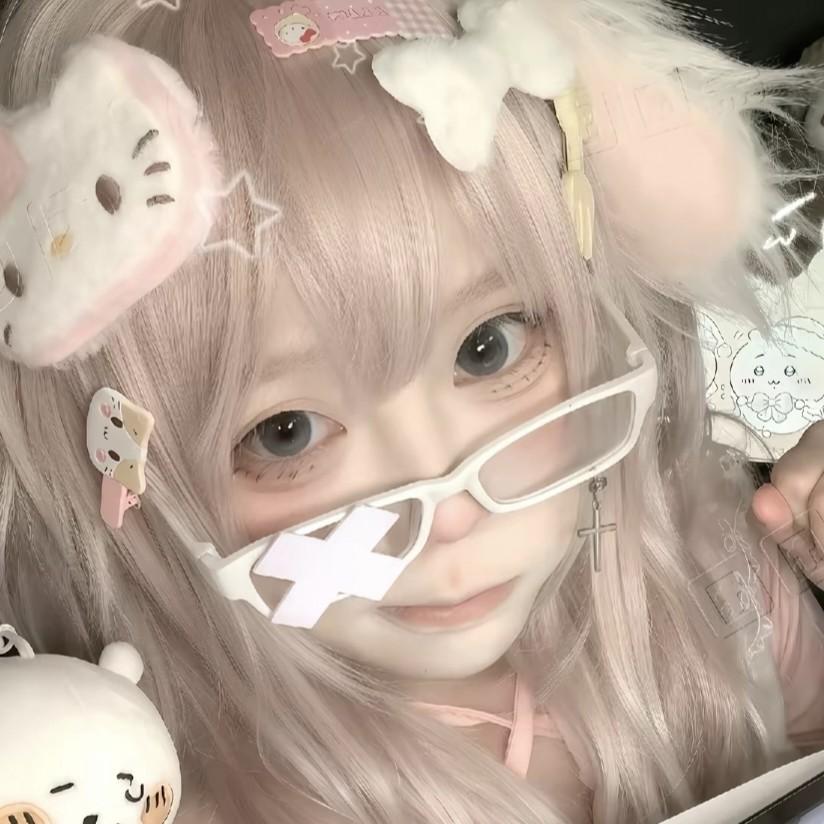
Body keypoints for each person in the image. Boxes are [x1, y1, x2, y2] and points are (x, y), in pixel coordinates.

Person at [1, 0, 824, 822]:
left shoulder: (715, 580)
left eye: (488, 348)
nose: (452, 514)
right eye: (286, 434)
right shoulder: (151, 789)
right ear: (128, 479)